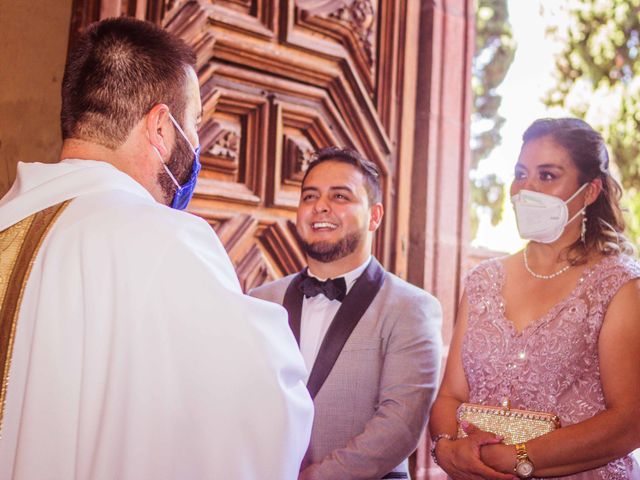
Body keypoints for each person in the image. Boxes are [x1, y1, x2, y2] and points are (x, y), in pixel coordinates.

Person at [0, 17, 313, 480]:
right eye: (195, 123)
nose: (198, 143)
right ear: (162, 128)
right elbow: (259, 414)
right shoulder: (165, 241)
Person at [429, 117, 640, 480]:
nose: (525, 188)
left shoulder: (620, 285)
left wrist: (518, 458)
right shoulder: (483, 279)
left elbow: (629, 420)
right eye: (521, 173)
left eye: (547, 175)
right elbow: (451, 394)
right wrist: (448, 446)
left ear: (589, 192)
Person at [250, 146, 443, 480]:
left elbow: (400, 426)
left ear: (375, 216)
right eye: (309, 196)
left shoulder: (412, 308)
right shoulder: (260, 300)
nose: (320, 206)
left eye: (340, 196)